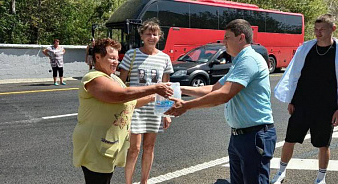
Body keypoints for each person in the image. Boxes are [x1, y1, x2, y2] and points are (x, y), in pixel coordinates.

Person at [165, 19, 276, 184]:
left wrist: (186, 106)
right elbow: (214, 88)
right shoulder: (238, 62)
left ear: (241, 37)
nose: (223, 42)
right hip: (240, 136)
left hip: (254, 136)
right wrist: (179, 89)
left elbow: (224, 95)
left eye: (227, 37)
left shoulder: (249, 60)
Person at [72, 38, 173, 184]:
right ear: (98, 57)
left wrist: (155, 97)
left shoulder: (113, 78)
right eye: (112, 58)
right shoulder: (93, 78)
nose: (116, 62)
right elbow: (121, 96)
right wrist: (155, 88)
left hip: (107, 145)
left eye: (117, 58)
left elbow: (130, 102)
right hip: (94, 145)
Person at [272, 14, 338, 184]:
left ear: (333, 29)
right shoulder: (306, 49)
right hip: (302, 104)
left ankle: (321, 178)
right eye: (316, 29)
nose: (318, 33)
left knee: (323, 144)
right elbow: (294, 75)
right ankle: (281, 172)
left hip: (327, 108)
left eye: (322, 29)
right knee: (289, 139)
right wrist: (291, 100)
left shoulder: (337, 52)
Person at [118, 19, 174, 184]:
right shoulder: (131, 55)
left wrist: (166, 113)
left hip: (154, 109)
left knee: (149, 147)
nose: (152, 37)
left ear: (159, 37)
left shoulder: (164, 58)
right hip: (135, 108)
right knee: (134, 149)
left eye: (155, 34)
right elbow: (121, 84)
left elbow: (166, 88)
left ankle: (144, 181)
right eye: (148, 33)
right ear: (141, 35)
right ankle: (128, 182)